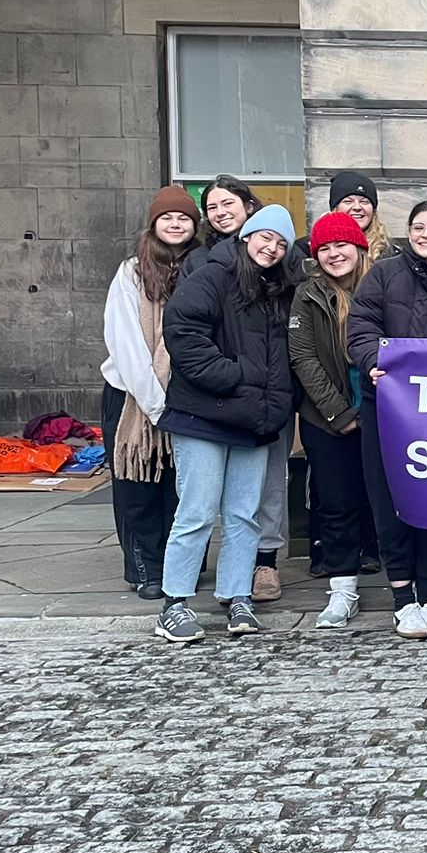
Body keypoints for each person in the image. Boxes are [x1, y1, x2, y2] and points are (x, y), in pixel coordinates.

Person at [155, 203, 298, 643]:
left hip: (253, 420)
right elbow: (182, 332)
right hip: (204, 415)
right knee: (196, 511)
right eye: (265, 237)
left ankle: (238, 596)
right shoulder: (212, 276)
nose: (271, 248)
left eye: (280, 243)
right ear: (246, 237)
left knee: (244, 515)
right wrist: (233, 376)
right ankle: (173, 604)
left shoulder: (279, 291)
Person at [348, 201, 427, 639]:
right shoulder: (382, 274)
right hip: (387, 405)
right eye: (418, 227)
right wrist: (371, 360)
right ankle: (402, 596)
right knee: (388, 497)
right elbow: (360, 327)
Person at [194, 172, 291, 600]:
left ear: (247, 207)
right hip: (219, 394)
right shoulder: (203, 265)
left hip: (271, 396)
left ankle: (262, 564)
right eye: (212, 207)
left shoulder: (284, 270)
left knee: (267, 483)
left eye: (227, 204)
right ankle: (213, 577)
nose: (220, 212)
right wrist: (230, 375)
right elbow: (187, 331)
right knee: (207, 494)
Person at [102, 185, 198, 602]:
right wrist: (154, 402)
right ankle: (145, 569)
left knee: (182, 487)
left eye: (183, 218)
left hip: (186, 392)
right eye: (167, 218)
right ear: (154, 224)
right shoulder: (131, 272)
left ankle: (181, 566)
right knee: (137, 485)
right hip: (132, 398)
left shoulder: (202, 268)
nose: (175, 224)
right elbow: (124, 343)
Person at [290, 211, 373, 630]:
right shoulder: (307, 295)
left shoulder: (381, 286)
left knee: (389, 503)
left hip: (382, 415)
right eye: (324, 248)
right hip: (328, 420)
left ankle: (408, 587)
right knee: (337, 506)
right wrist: (338, 413)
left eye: (341, 245)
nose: (334, 254)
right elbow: (303, 358)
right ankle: (342, 589)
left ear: (359, 247)